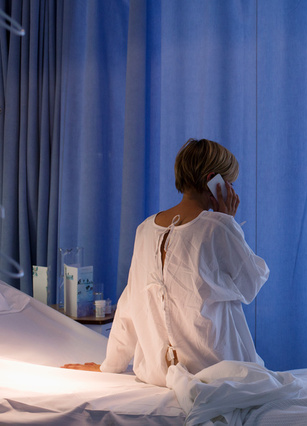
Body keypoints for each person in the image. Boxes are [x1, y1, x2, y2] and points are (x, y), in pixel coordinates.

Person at [63, 139, 269, 386]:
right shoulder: (218, 226)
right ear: (213, 179)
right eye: (230, 183)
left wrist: (110, 366)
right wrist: (229, 222)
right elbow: (251, 285)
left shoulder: (144, 230)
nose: (233, 190)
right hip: (218, 373)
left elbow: (129, 304)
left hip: (157, 376)